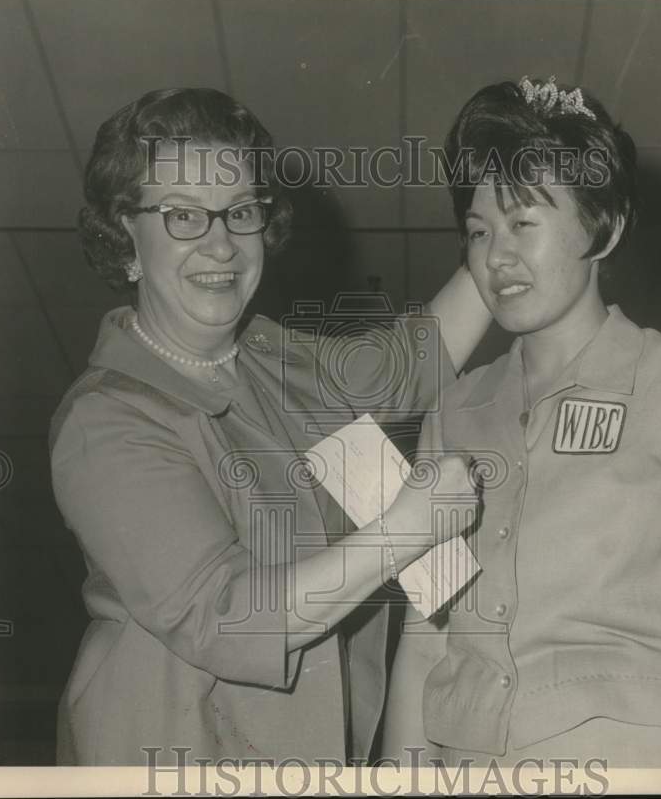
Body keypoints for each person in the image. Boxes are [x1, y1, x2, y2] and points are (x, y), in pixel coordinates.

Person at [49, 87, 492, 765]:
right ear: (125, 242)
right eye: (183, 217)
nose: (221, 244)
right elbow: (224, 616)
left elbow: (413, 363)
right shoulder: (106, 419)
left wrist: (503, 225)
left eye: (241, 212)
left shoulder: (274, 360)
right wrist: (411, 528)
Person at [382, 76, 661, 769]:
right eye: (478, 231)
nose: (495, 256)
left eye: (524, 223)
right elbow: (425, 640)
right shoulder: (455, 409)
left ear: (606, 228)